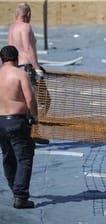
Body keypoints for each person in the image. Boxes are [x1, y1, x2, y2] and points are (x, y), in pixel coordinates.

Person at [0, 45, 38, 209]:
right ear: (16, 59)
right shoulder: (20, 74)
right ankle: (20, 196)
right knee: (24, 158)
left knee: (8, 156)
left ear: (1, 60)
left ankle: (15, 188)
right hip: (17, 121)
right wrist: (35, 116)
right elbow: (30, 99)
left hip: (0, 121)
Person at [8, 2, 50, 144]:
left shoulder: (12, 28)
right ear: (29, 14)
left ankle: (28, 132)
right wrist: (37, 67)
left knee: (23, 102)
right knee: (40, 101)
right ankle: (34, 132)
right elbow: (27, 49)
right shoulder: (26, 27)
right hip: (27, 67)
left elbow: (11, 50)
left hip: (16, 67)